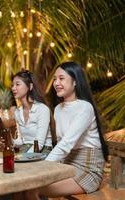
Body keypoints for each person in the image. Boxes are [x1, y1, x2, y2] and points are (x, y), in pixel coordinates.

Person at [24, 62, 109, 199]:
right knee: (23, 186)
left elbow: (66, 144)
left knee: (32, 189)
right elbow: (60, 143)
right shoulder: (58, 109)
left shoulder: (84, 108)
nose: (56, 82)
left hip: (88, 170)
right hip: (67, 166)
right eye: (55, 79)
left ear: (75, 82)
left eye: (61, 78)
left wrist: (41, 167)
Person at [11, 70, 53, 154]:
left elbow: (39, 144)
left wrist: (23, 158)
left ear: (30, 86)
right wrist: (11, 141)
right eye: (12, 85)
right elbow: (21, 140)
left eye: (17, 84)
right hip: (26, 150)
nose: (13, 88)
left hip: (43, 150)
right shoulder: (17, 112)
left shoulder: (42, 109)